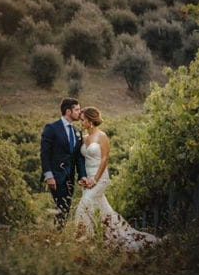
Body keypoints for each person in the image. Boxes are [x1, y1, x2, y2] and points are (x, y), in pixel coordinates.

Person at [74, 106, 162, 251]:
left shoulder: (102, 136)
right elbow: (81, 161)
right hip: (88, 180)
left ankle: (83, 241)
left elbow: (104, 159)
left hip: (100, 178)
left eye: (83, 120)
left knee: (84, 205)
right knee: (102, 209)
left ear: (90, 120)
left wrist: (95, 179)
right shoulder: (84, 139)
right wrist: (84, 178)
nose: (81, 123)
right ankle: (109, 237)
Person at [40, 97, 87, 227]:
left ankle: (58, 234)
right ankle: (57, 233)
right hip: (56, 176)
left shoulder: (77, 132)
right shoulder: (52, 128)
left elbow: (78, 157)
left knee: (66, 206)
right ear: (68, 111)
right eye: (77, 109)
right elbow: (45, 154)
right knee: (61, 205)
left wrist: (82, 175)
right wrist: (49, 176)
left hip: (70, 177)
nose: (80, 112)